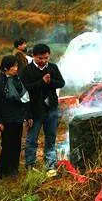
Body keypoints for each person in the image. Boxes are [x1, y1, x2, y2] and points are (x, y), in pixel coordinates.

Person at [20, 43, 66, 171]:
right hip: (35, 111)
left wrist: (51, 81)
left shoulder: (52, 67)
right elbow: (26, 90)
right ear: (34, 56)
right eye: (40, 58)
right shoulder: (26, 71)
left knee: (51, 138)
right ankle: (30, 165)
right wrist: (42, 82)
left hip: (51, 108)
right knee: (32, 140)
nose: (43, 61)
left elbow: (61, 83)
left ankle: (50, 164)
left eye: (46, 58)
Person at [0, 55, 31, 179]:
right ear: (5, 68)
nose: (15, 69)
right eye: (13, 66)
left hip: (17, 118)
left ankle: (14, 169)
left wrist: (27, 115)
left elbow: (25, 98)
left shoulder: (18, 80)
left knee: (17, 144)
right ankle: (3, 171)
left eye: (16, 66)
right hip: (5, 119)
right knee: (7, 145)